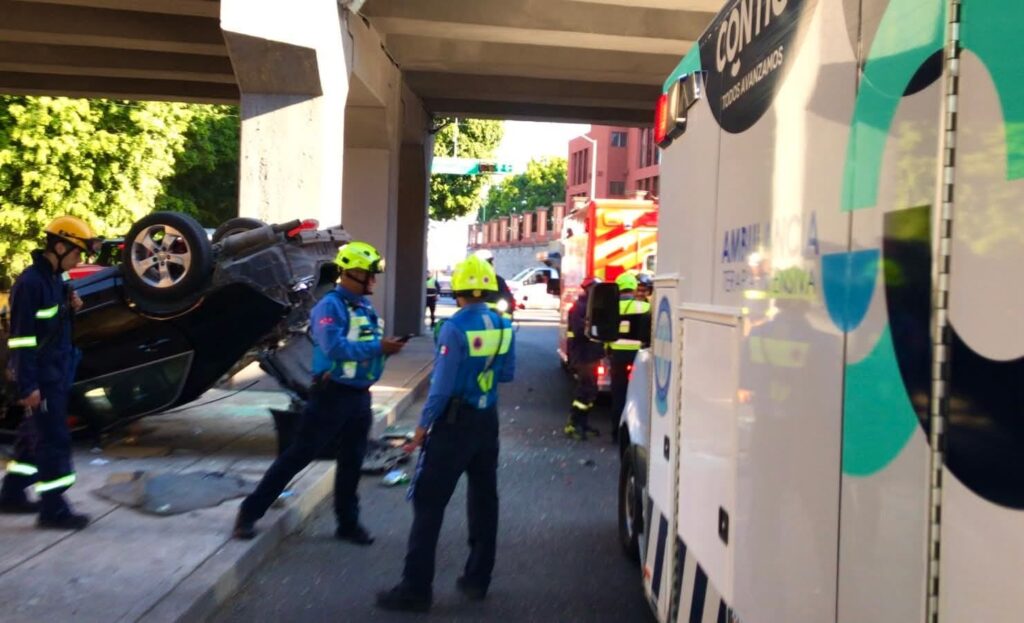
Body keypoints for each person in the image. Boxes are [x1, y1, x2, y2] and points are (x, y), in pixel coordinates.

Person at [233, 241, 405, 543]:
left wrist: (385, 349)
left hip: (359, 396)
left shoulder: (363, 306)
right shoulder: (329, 306)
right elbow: (334, 347)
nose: (373, 281)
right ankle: (249, 513)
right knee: (299, 455)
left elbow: (362, 345)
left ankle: (348, 523)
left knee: (352, 460)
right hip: (331, 395)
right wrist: (379, 347)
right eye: (369, 274)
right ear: (349, 273)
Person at [377, 253, 516, 613]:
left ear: (458, 291)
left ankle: (415, 590)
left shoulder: (453, 328)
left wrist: (421, 428)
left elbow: (440, 389)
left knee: (428, 504)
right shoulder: (503, 325)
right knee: (484, 501)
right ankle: (477, 579)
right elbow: (506, 373)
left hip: (453, 426)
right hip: (487, 423)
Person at [1, 216, 100, 529]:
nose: (80, 259)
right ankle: (54, 509)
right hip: (41, 378)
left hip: (56, 373)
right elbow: (22, 340)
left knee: (34, 435)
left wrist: (71, 307)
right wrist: (28, 385)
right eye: (77, 252)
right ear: (59, 247)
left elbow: (51, 325)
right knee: (53, 439)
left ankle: (12, 493)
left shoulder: (55, 279)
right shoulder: (30, 284)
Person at [607, 272, 651, 441]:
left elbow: (605, 333)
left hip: (617, 356)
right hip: (637, 356)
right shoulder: (644, 307)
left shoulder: (611, 308)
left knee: (618, 394)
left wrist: (607, 349)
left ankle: (615, 433)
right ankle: (637, 431)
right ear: (633, 288)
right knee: (638, 393)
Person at [564, 277, 604, 440]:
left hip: (592, 354)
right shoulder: (580, 307)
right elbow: (581, 331)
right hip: (583, 355)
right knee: (585, 390)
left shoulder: (591, 306)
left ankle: (583, 423)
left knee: (591, 390)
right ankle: (573, 424)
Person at [473, 249, 514, 315]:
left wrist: (505, 318)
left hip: (497, 316)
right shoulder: (471, 281)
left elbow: (508, 300)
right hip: (477, 317)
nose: (491, 264)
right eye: (488, 262)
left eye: (490, 262)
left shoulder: (499, 280)